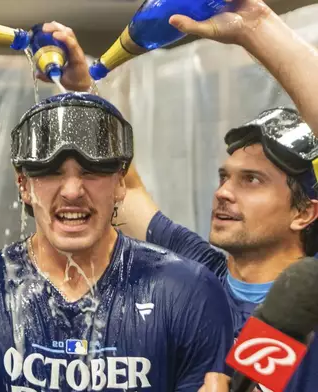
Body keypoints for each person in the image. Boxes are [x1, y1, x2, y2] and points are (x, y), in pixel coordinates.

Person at [0, 90, 234, 391]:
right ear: (24, 186)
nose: (72, 191)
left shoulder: (188, 294)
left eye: (91, 172)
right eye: (52, 172)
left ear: (120, 184)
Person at [113, 1, 318, 391]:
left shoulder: (310, 302)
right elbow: (124, 194)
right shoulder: (201, 274)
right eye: (225, 177)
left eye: (252, 180)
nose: (223, 192)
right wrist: (81, 91)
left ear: (304, 212)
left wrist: (257, 28)